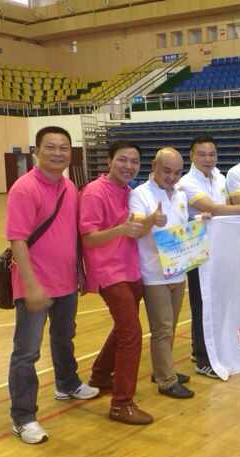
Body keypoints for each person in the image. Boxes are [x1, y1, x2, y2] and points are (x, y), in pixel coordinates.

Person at [6, 126, 99, 444]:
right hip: (34, 285)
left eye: (64, 148)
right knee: (26, 352)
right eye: (50, 147)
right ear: (36, 151)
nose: (58, 153)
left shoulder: (69, 187)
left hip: (65, 281)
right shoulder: (24, 188)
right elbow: (17, 240)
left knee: (64, 336)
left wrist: (80, 271)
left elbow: (72, 234)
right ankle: (23, 417)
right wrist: (31, 285)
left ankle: (67, 383)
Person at [80, 140, 159, 424]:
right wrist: (121, 229)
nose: (128, 166)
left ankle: (101, 375)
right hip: (108, 272)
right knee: (132, 334)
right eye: (123, 160)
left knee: (124, 328)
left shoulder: (129, 192)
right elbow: (89, 238)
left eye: (134, 161)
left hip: (131, 269)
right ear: (109, 161)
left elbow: (135, 231)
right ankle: (121, 404)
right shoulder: (94, 192)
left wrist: (152, 220)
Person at [179, 135, 240, 378]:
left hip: (221, 250)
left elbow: (228, 204)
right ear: (192, 156)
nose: (208, 159)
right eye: (202, 154)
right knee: (201, 303)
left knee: (219, 301)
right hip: (196, 249)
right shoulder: (187, 182)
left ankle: (207, 348)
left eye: (212, 154)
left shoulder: (219, 178)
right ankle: (202, 358)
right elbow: (214, 209)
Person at [129, 147, 194, 399]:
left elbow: (182, 228)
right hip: (153, 273)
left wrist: (200, 222)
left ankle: (162, 370)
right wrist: (150, 221)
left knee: (171, 326)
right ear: (154, 167)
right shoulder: (140, 194)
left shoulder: (180, 193)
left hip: (178, 270)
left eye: (177, 172)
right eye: (167, 171)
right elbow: (135, 228)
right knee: (162, 328)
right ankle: (167, 381)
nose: (172, 177)